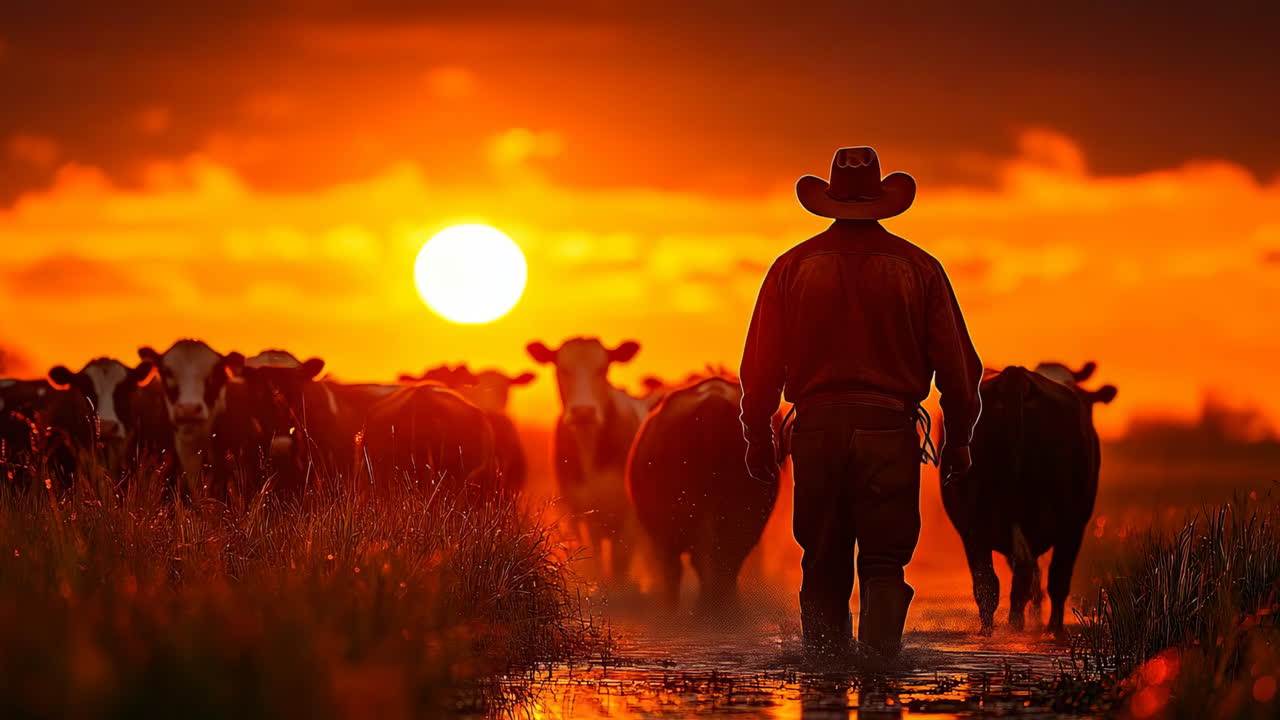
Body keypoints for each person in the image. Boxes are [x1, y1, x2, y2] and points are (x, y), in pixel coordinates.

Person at [739, 147, 983, 660]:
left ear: (828, 202)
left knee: (822, 558)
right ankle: (880, 674)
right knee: (884, 562)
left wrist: (757, 441)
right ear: (882, 201)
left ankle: (823, 673)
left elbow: (758, 371)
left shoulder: (791, 267)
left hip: (817, 432)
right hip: (888, 432)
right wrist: (958, 443)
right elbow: (960, 375)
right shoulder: (920, 268)